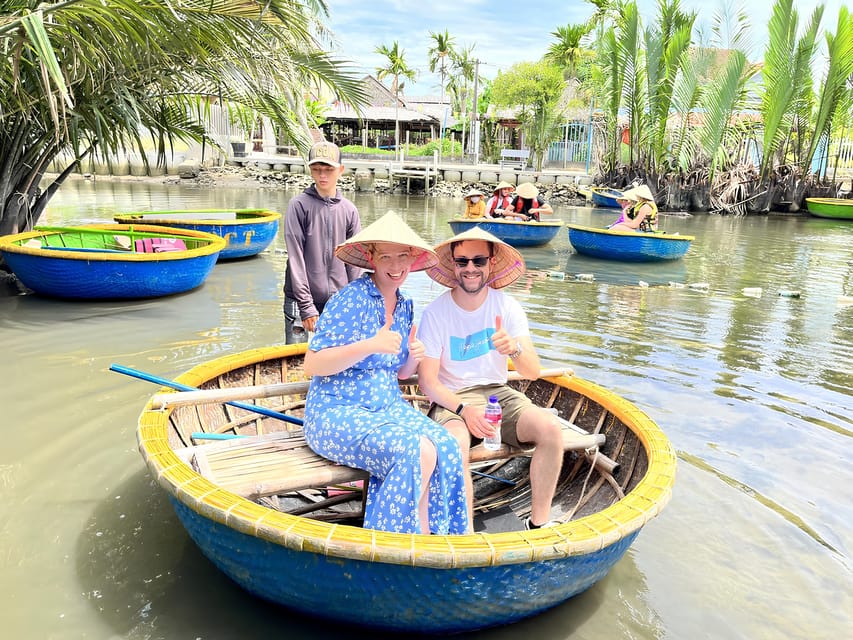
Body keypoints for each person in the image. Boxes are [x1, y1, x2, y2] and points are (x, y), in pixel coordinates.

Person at [302, 211, 469, 535]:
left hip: (387, 407)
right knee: (414, 450)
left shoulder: (405, 305)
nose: (396, 266)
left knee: (446, 446)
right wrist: (368, 344)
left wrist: (413, 359)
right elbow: (313, 364)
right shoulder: (350, 300)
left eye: (403, 257)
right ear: (371, 258)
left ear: (413, 258)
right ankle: (389, 542)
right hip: (337, 412)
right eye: (387, 257)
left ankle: (428, 537)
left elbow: (398, 373)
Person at [417, 227, 565, 531]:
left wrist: (515, 348)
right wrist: (464, 411)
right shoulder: (436, 313)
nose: (470, 268)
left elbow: (532, 372)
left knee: (550, 429)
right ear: (453, 265)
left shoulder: (507, 307)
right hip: (454, 399)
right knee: (455, 443)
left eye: (478, 260)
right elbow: (428, 382)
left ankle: (538, 523)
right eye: (462, 261)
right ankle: (465, 532)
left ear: (492, 263)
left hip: (499, 395)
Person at [283, 140, 362, 344]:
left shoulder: (349, 210)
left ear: (340, 170)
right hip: (299, 299)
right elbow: (295, 258)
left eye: (328, 169)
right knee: (295, 359)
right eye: (317, 169)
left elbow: (355, 262)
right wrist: (306, 306)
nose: (322, 175)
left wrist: (354, 300)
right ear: (310, 170)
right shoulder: (298, 205)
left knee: (336, 359)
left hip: (338, 300)